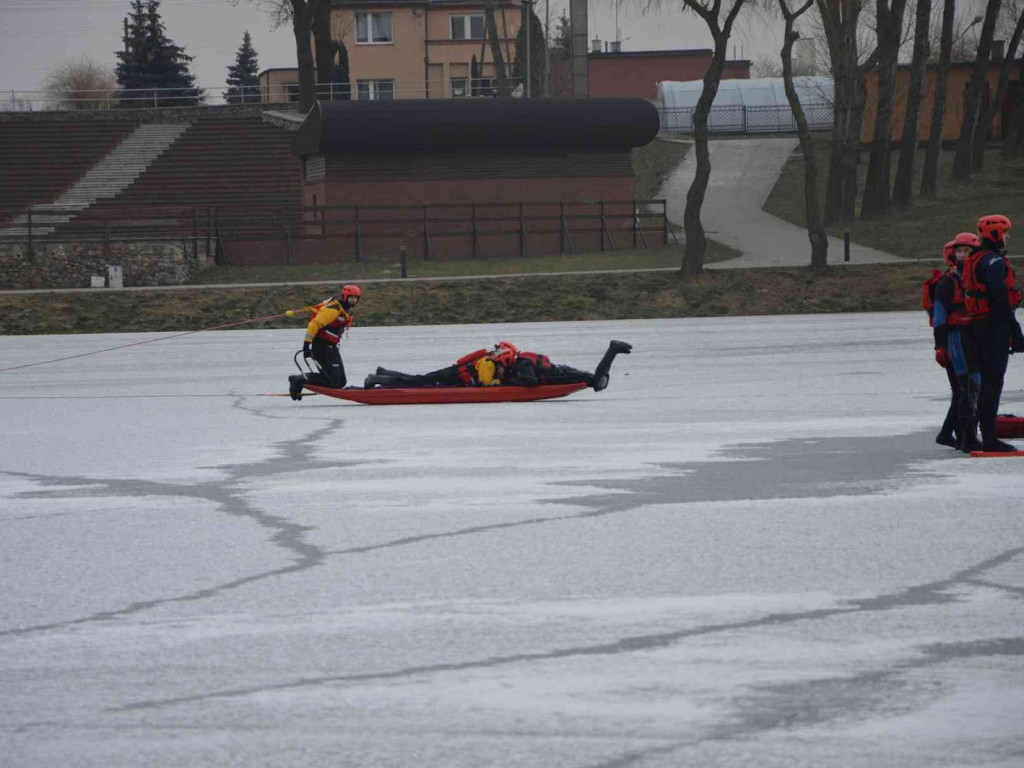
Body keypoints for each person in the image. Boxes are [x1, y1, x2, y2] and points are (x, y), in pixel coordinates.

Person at [960, 215, 1023, 452]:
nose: (1008, 237)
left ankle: (968, 437)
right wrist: (1015, 331)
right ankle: (989, 438)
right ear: (995, 233)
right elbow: (999, 298)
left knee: (985, 382)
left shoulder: (976, 258)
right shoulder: (994, 262)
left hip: (978, 326)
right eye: (1005, 232)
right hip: (994, 326)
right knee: (993, 382)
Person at [930, 233, 982, 452]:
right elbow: (940, 317)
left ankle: (958, 436)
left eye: (968, 252)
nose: (963, 255)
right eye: (960, 251)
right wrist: (940, 347)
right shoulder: (947, 283)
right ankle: (965, 438)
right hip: (955, 340)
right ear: (953, 254)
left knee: (965, 390)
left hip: (972, 339)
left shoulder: (974, 278)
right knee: (967, 388)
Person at [289, 284, 361, 400]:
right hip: (321, 346)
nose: (353, 300)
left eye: (356, 298)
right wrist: (306, 346)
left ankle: (303, 380)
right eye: (351, 297)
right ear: (345, 297)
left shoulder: (344, 310)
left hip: (331, 347)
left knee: (340, 382)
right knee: (333, 382)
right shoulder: (333, 310)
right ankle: (298, 379)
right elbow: (314, 325)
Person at [363, 344, 516, 389]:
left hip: (451, 373)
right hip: (450, 377)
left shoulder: (487, 358)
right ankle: (377, 378)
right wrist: (502, 383)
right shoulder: (488, 364)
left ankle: (384, 373)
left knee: (417, 379)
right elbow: (485, 384)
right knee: (416, 382)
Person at [505, 340, 633, 391]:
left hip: (562, 376)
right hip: (562, 371)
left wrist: (512, 383)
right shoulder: (521, 361)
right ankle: (614, 350)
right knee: (598, 383)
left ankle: (613, 350)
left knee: (598, 383)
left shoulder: (521, 363)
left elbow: (531, 382)